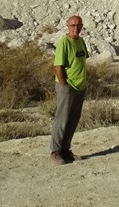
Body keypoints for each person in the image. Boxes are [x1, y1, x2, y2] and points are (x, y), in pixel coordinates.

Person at [49, 14, 88, 164]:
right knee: (62, 119)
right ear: (68, 26)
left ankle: (65, 150)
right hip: (67, 86)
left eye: (78, 25)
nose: (76, 28)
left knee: (73, 119)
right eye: (73, 25)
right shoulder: (64, 43)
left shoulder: (81, 42)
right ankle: (55, 151)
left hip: (80, 86)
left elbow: (81, 62)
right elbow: (58, 65)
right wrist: (64, 84)